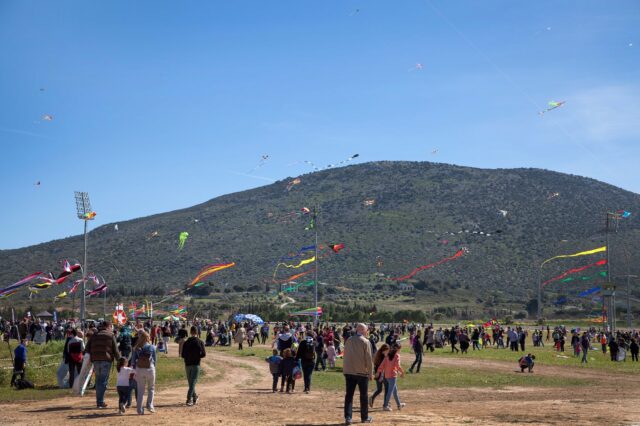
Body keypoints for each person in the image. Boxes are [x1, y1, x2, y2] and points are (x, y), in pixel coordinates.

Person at [343, 323, 373, 425]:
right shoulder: (366, 341)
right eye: (366, 330)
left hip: (349, 371)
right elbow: (369, 359)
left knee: (349, 396)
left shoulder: (349, 340)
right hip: (362, 372)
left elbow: (345, 355)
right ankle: (364, 417)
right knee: (363, 396)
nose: (367, 331)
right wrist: (370, 373)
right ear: (363, 330)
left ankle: (348, 417)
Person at [86, 320, 121, 408]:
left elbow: (87, 348)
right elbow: (116, 350)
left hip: (95, 360)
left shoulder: (94, 335)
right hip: (106, 359)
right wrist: (120, 361)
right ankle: (100, 402)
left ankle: (99, 401)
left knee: (98, 380)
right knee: (103, 381)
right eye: (111, 326)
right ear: (108, 326)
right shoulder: (111, 335)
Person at [131, 330, 157, 414]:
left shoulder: (136, 348)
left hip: (139, 369)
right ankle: (150, 405)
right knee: (151, 388)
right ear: (147, 338)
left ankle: (139, 409)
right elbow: (154, 360)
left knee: (140, 390)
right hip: (150, 369)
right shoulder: (152, 347)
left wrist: (135, 370)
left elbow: (133, 362)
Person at [181, 326, 206, 406]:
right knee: (193, 382)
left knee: (191, 382)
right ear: (197, 332)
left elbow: (182, 355)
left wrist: (188, 357)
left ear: (190, 332)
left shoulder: (186, 342)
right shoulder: (200, 341)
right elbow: (204, 354)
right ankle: (189, 399)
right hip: (196, 364)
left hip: (187, 364)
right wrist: (197, 357)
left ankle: (194, 397)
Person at [378, 343, 405, 412]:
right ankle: (385, 405)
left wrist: (379, 371)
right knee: (390, 391)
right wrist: (402, 372)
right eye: (400, 349)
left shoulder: (388, 355)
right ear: (398, 349)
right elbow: (397, 366)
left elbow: (382, 364)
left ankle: (399, 405)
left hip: (387, 376)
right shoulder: (397, 356)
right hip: (392, 376)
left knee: (394, 391)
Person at [369, 343, 389, 408]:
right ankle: (385, 404)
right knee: (387, 388)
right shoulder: (384, 357)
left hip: (378, 375)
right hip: (382, 375)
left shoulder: (378, 355)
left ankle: (372, 397)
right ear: (384, 350)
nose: (388, 352)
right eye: (387, 350)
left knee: (379, 389)